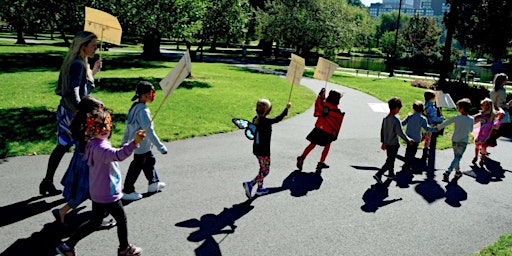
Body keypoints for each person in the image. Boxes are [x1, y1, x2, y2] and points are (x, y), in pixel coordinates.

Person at [56, 109, 144, 256]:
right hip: (107, 193)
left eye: (105, 126)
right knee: (121, 219)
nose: (103, 130)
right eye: (98, 126)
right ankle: (124, 249)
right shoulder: (101, 148)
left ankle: (67, 246)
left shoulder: (92, 143)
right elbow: (118, 155)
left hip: (97, 192)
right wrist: (134, 143)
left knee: (94, 223)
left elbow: (112, 153)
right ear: (90, 129)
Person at [40, 31, 102, 195]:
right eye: (93, 45)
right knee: (85, 151)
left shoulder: (75, 62)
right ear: (84, 46)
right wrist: (81, 112)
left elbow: (80, 85)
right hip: (73, 114)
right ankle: (77, 188)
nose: (96, 48)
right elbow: (74, 91)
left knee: (62, 146)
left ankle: (47, 181)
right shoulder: (77, 64)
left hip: (65, 110)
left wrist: (93, 71)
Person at [52, 96, 106, 225]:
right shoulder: (87, 128)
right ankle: (63, 211)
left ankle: (98, 216)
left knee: (89, 190)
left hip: (80, 161)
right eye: (99, 109)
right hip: (87, 163)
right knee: (88, 190)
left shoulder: (79, 122)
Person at [122, 81, 168, 201]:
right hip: (141, 145)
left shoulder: (134, 107)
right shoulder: (143, 111)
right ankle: (127, 190)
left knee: (149, 161)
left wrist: (124, 141)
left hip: (140, 144)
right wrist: (161, 147)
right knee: (137, 166)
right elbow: (150, 132)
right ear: (143, 95)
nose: (152, 95)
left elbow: (128, 128)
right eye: (150, 93)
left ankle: (153, 183)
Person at [243, 99, 291, 199]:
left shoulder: (255, 119)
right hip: (263, 151)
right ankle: (250, 184)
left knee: (262, 168)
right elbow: (278, 118)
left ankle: (260, 188)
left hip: (256, 149)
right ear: (268, 111)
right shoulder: (266, 122)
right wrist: (286, 108)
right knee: (265, 171)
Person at [296, 88, 344, 171]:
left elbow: (319, 102)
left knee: (312, 144)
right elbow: (337, 123)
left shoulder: (324, 105)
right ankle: (321, 163)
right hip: (328, 132)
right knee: (327, 146)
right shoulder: (336, 111)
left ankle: (302, 157)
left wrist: (322, 94)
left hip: (319, 128)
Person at [373, 97, 413, 185]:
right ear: (396, 108)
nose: (399, 110)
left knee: (390, 159)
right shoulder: (396, 120)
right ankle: (379, 174)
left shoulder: (385, 119)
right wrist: (408, 140)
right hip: (393, 144)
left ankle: (391, 173)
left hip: (387, 143)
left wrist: (383, 142)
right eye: (399, 109)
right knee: (390, 161)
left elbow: (382, 131)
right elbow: (400, 133)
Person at [434, 98, 474, 183]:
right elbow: (471, 130)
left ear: (462, 109)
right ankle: (448, 171)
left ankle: (458, 172)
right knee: (458, 157)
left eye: (458, 107)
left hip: (455, 140)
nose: (457, 108)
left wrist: (438, 128)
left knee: (456, 157)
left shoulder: (456, 118)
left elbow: (445, 123)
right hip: (463, 141)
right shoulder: (471, 119)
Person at [472, 98, 505, 167]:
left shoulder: (494, 114)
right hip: (480, 132)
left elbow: (502, 114)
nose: (481, 106)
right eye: (481, 105)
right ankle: (475, 156)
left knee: (484, 146)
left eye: (483, 105)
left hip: (488, 133)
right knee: (477, 145)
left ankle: (482, 159)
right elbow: (473, 119)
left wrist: (499, 108)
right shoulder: (482, 114)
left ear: (488, 106)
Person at [401, 101, 431, 172]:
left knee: (408, 150)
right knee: (413, 151)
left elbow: (403, 123)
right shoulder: (422, 119)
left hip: (409, 137)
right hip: (417, 138)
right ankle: (410, 163)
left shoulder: (410, 116)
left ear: (413, 108)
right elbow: (426, 128)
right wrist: (434, 129)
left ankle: (406, 163)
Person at [421, 90, 444, 162]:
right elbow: (433, 118)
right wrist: (441, 118)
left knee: (423, 137)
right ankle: (425, 152)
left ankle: (419, 148)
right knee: (427, 139)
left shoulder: (426, 105)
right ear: (431, 98)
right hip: (429, 125)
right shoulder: (431, 108)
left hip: (423, 124)